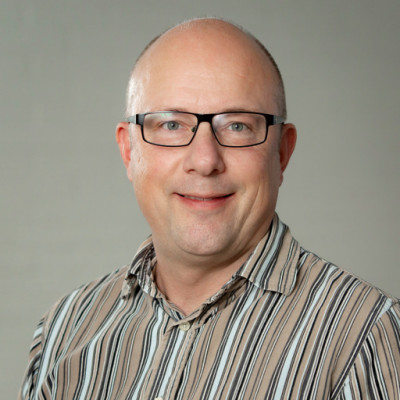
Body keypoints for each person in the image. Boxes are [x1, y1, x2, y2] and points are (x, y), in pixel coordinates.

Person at [19, 18, 400, 400]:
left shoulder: (365, 337)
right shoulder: (63, 330)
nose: (204, 160)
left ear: (282, 152)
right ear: (129, 150)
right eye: (171, 125)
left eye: (237, 126)